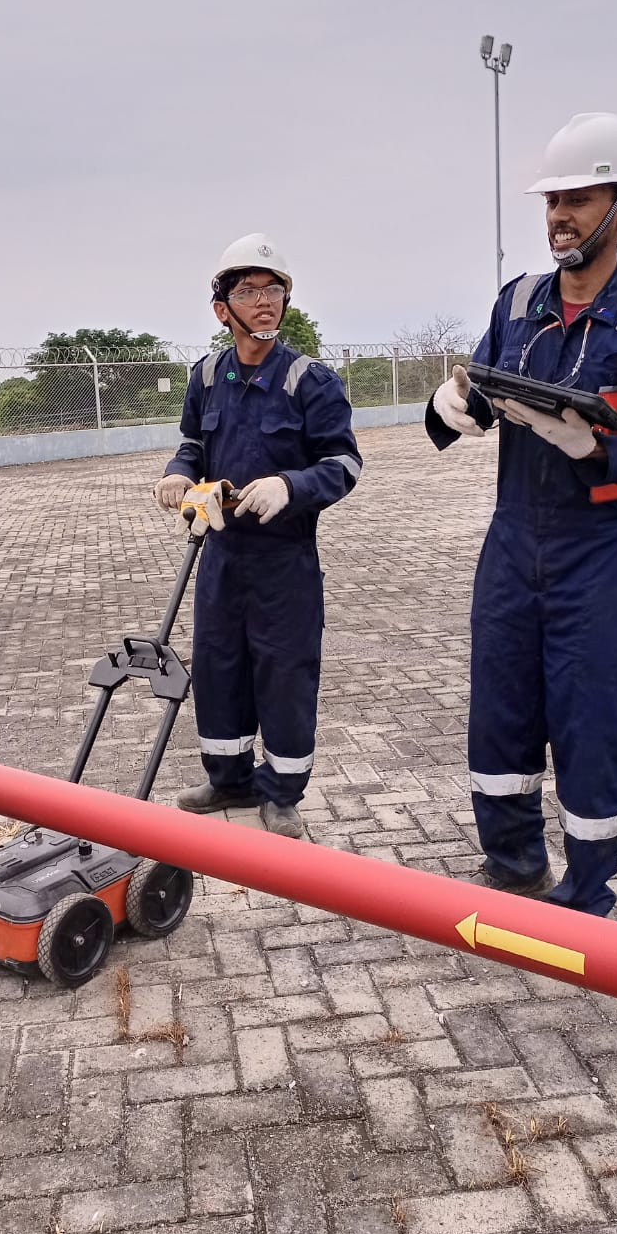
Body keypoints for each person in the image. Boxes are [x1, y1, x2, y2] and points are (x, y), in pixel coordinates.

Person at [427, 114, 617, 916]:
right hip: (512, 545)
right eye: (553, 200)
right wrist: (452, 406)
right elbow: (474, 396)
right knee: (501, 713)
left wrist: (594, 450)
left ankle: (586, 895)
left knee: (593, 723)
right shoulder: (516, 301)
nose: (560, 216)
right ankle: (512, 862)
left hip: (601, 559)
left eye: (579, 199)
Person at [154, 235, 361, 838]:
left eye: (274, 289)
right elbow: (193, 443)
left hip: (283, 560)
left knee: (284, 671)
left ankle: (282, 792)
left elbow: (344, 463)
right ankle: (228, 779)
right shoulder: (207, 376)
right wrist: (178, 474)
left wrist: (290, 488)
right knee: (219, 667)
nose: (265, 301)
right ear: (223, 308)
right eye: (249, 290)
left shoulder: (310, 381)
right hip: (220, 555)